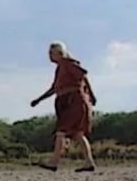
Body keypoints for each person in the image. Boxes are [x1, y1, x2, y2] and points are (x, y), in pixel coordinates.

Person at [30, 41, 98, 172]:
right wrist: (39, 100)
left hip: (74, 101)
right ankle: (89, 163)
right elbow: (54, 89)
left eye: (51, 53)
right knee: (78, 134)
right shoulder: (60, 68)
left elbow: (83, 76)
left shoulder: (69, 63)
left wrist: (92, 95)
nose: (49, 56)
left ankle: (53, 162)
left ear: (60, 53)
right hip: (65, 101)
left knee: (61, 132)